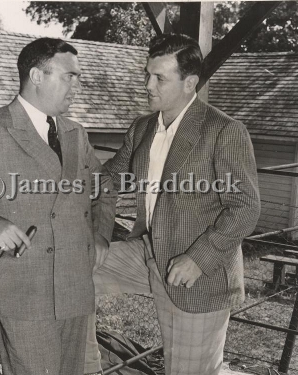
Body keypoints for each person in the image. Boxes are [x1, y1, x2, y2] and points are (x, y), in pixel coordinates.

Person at [0, 37, 116, 375]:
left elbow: (104, 187)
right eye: (69, 76)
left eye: (77, 78)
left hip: (75, 285)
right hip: (24, 288)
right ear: (36, 75)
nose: (76, 87)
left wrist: (100, 235)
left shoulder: (75, 132)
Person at [86, 33, 261, 375]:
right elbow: (107, 179)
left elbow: (245, 207)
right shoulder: (143, 128)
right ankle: (85, 364)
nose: (148, 85)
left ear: (189, 82)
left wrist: (199, 258)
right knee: (69, 266)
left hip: (198, 272)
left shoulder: (223, 131)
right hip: (148, 253)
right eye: (147, 74)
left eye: (160, 78)